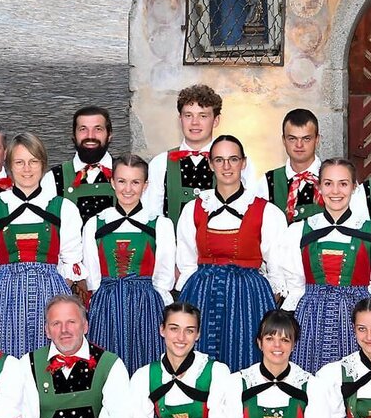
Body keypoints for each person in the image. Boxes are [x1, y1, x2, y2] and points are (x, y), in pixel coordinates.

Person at [176, 135, 289, 372]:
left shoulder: (266, 211)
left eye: (233, 159)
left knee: (245, 355)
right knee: (199, 363)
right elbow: (186, 263)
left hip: (248, 296)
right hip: (203, 294)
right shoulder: (194, 208)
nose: (226, 166)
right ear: (210, 164)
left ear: (243, 163)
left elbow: (277, 267)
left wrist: (262, 300)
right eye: (219, 160)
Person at [282, 157, 371, 372]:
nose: (335, 191)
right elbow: (296, 285)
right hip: (312, 318)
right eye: (328, 183)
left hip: (357, 318)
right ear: (319, 187)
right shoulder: (299, 231)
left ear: (354, 187)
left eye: (343, 183)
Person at [0, 132, 84, 359]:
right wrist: (6, 291)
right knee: (6, 359)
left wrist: (50, 288)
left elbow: (71, 260)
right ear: (9, 166)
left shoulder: (63, 208)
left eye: (33, 161)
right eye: (19, 162)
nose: (27, 169)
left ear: (43, 165)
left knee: (47, 359)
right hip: (5, 298)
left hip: (50, 295)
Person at [82, 154, 176, 374]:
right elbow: (93, 276)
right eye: (122, 181)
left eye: (135, 182)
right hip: (106, 304)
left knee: (146, 364)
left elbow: (164, 275)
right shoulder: (95, 223)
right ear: (112, 182)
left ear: (145, 185)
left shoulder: (160, 224)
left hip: (146, 304)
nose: (128, 189)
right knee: (107, 366)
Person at [9, 295, 131, 418]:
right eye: (56, 323)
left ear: (85, 326)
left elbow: (121, 414)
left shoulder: (110, 363)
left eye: (71, 322)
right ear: (47, 331)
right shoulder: (28, 363)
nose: (64, 330)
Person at [143, 84, 265, 223]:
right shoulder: (160, 163)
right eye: (188, 115)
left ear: (216, 120)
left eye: (203, 116)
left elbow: (250, 209)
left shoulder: (236, 161)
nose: (195, 122)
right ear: (180, 119)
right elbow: (151, 214)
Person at [47, 105, 116, 220]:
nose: (90, 136)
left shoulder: (129, 174)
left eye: (98, 129)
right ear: (73, 135)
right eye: (83, 129)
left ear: (109, 135)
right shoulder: (52, 178)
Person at [264, 109, 323, 224]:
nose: (299, 145)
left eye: (306, 139)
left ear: (317, 140)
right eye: (292, 139)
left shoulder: (338, 177)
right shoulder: (268, 182)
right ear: (284, 140)